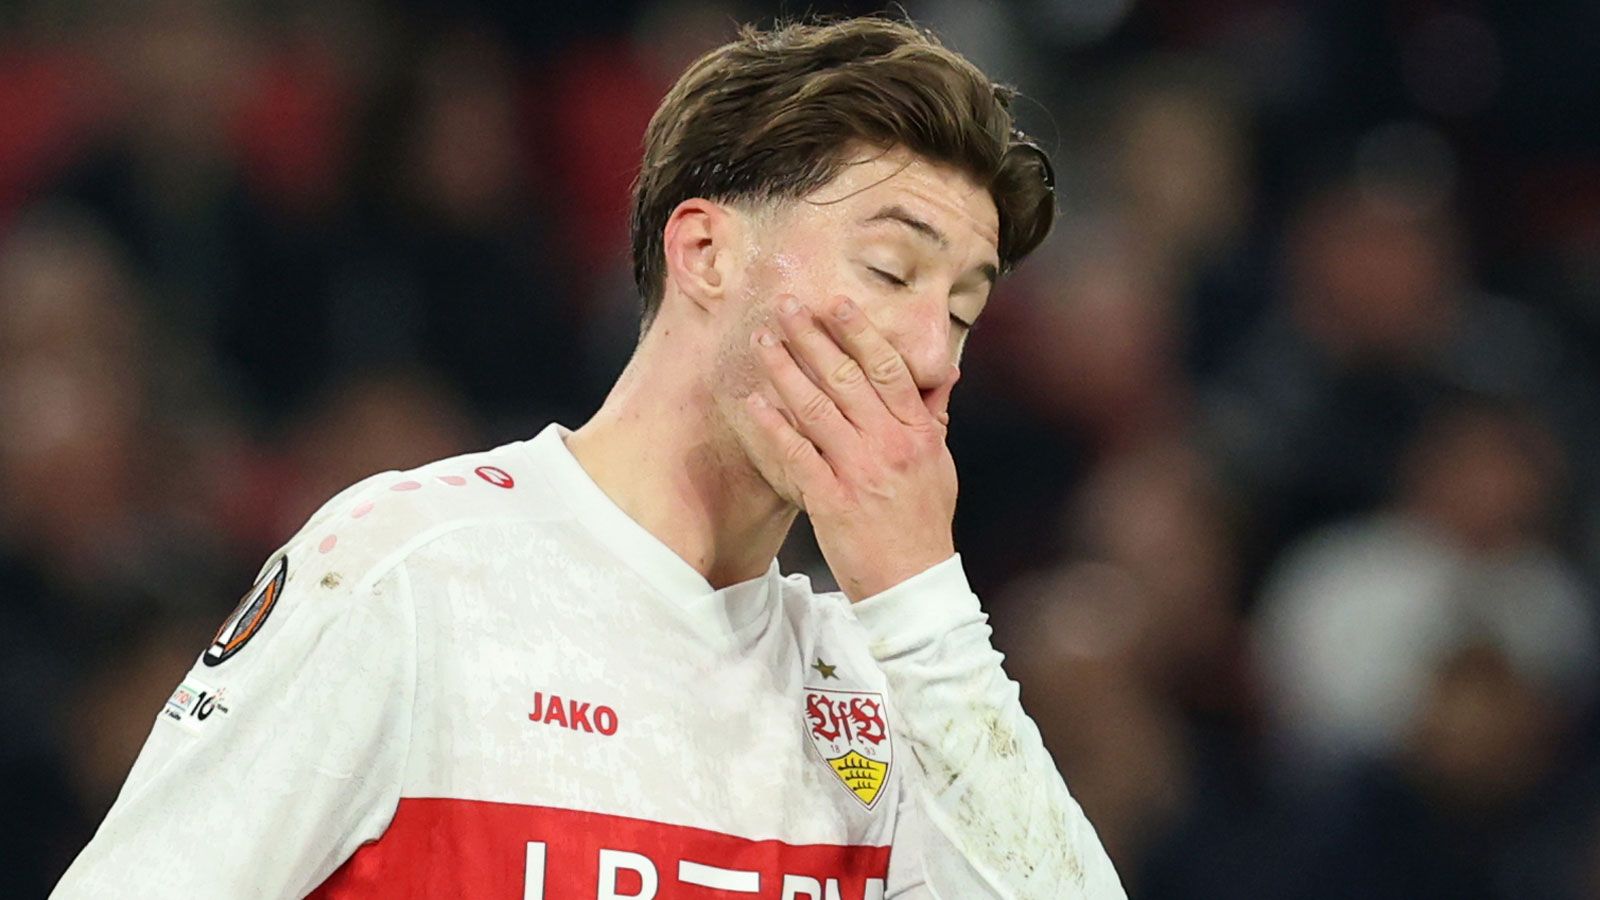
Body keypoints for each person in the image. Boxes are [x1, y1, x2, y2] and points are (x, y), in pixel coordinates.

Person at [53, 17, 1124, 899]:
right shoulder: (413, 574)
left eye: (965, 312)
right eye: (892, 271)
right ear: (704, 252)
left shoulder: (889, 685)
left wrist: (923, 606)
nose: (934, 356)